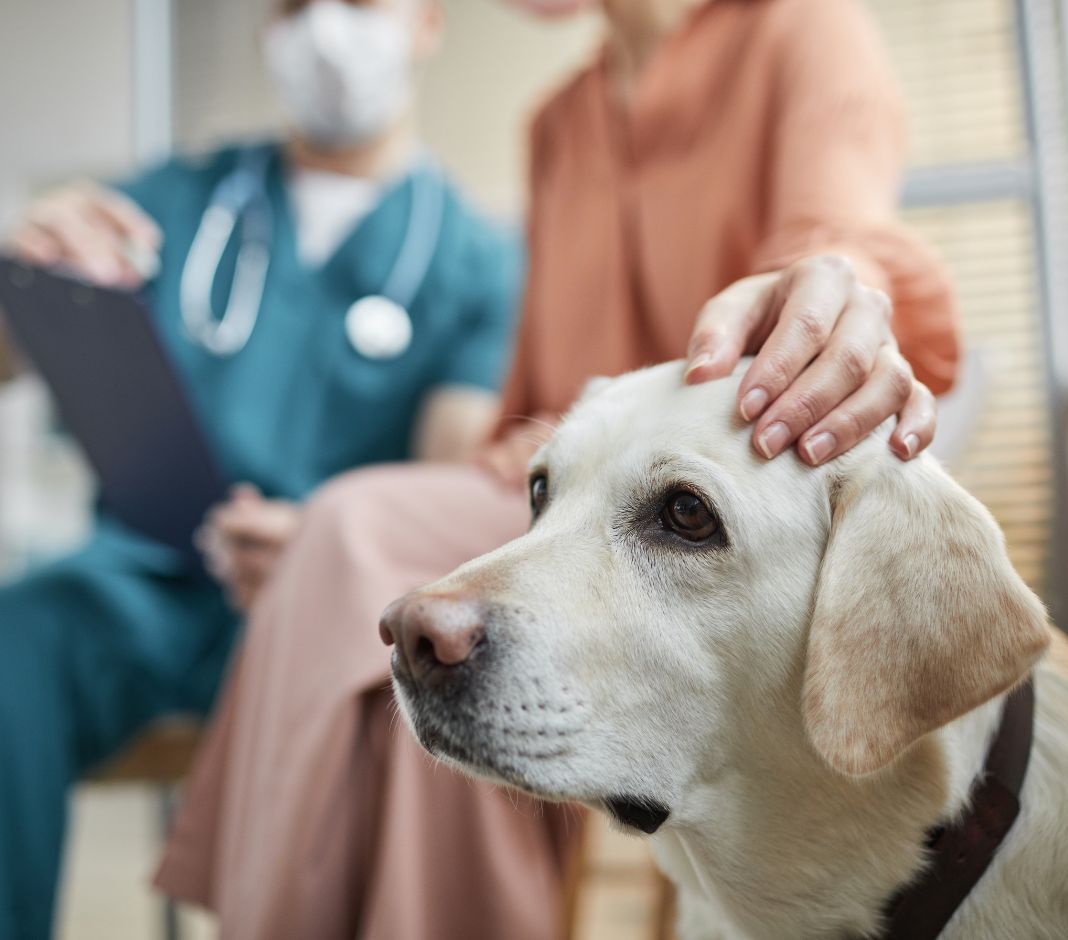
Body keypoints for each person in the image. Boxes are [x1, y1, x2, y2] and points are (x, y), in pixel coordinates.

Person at [156, 0, 960, 937]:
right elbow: (532, 415)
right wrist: (375, 531)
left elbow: (839, 233)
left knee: (358, 539)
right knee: (355, 551)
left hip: (718, 510)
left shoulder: (800, 30)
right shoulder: (557, 124)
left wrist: (832, 287)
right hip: (557, 498)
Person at [0, 0, 522, 936]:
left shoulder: (478, 261)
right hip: (145, 591)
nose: (324, 29)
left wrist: (321, 548)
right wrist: (23, 271)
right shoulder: (176, 201)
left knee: (399, 728)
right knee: (16, 637)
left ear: (428, 22)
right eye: (291, 4)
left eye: (360, 3)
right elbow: (22, 347)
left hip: (331, 612)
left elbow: (445, 480)